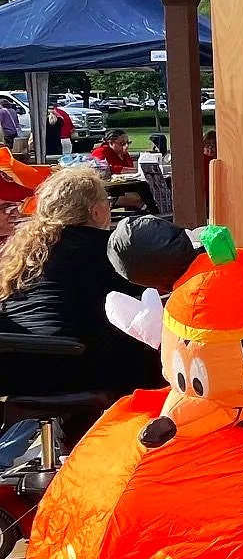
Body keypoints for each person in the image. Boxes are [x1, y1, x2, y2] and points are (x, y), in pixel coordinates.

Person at [0, 170, 164, 403]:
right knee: (161, 354)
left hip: (15, 365)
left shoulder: (24, 252)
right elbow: (142, 299)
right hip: (66, 365)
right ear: (95, 211)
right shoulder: (106, 249)